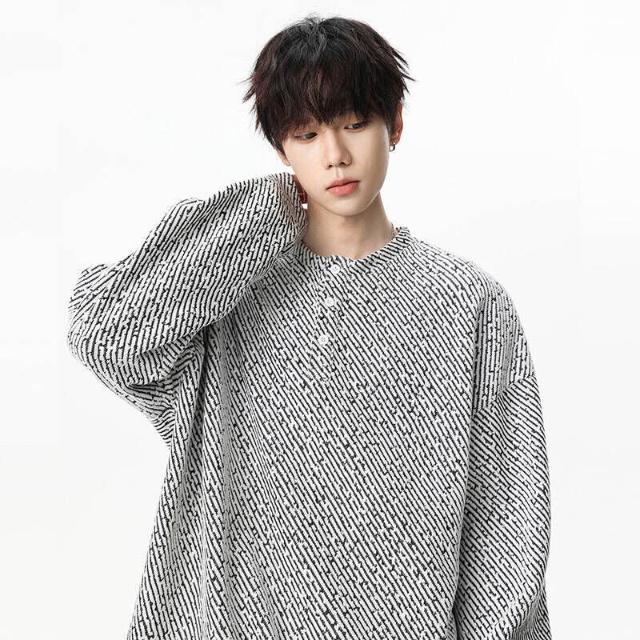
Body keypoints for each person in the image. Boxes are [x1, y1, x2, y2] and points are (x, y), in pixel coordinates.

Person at [66, 13, 552, 640]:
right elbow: (105, 335)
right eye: (307, 133)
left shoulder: (469, 303)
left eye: (355, 123)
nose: (335, 155)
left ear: (395, 124)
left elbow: (507, 526)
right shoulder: (230, 294)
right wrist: (261, 216)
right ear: (281, 150)